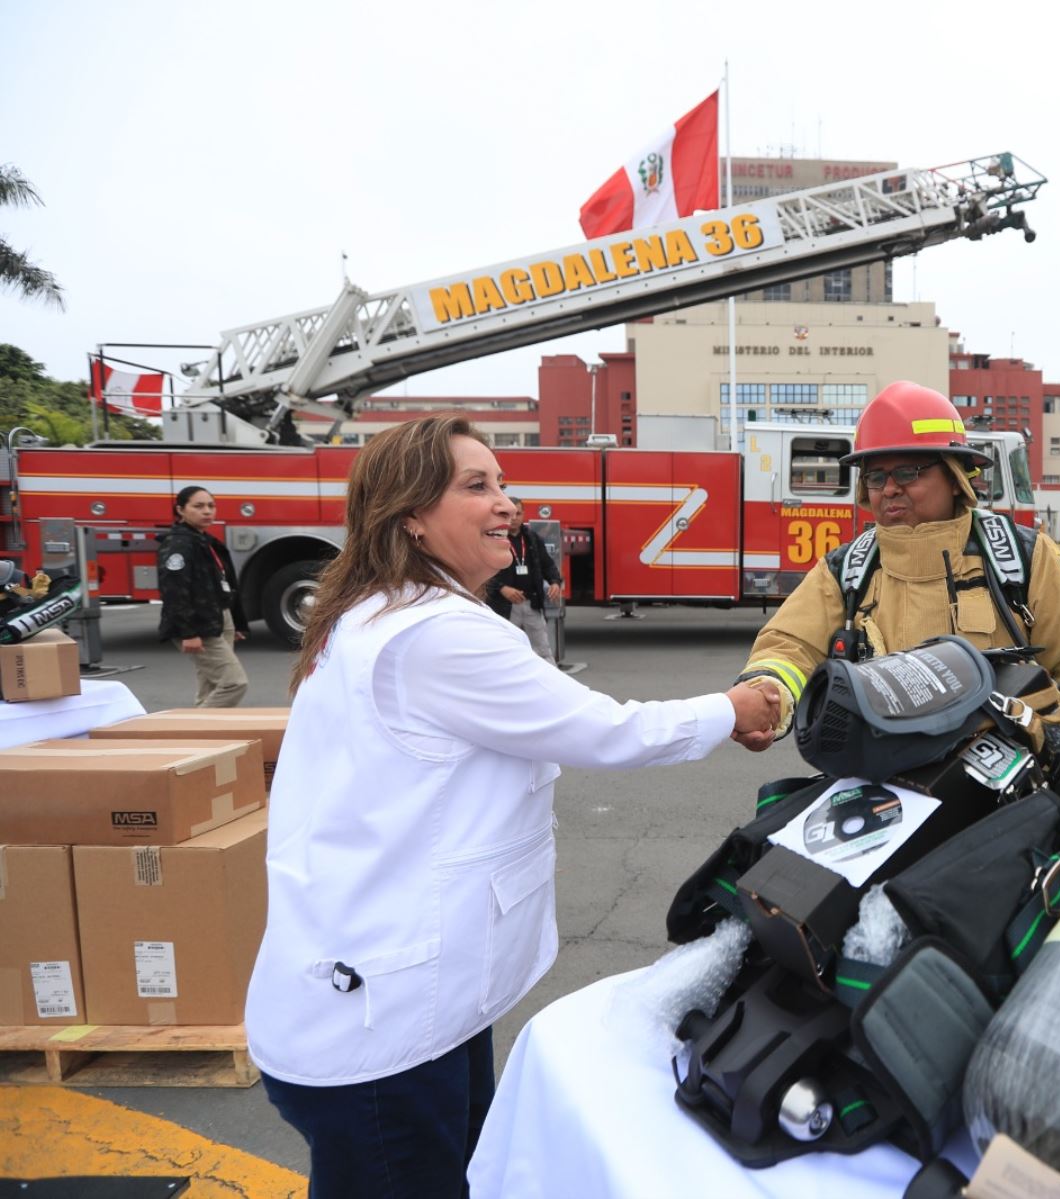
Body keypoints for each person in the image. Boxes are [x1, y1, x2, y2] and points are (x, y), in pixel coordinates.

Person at [244, 414, 778, 1197]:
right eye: (477, 485)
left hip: (395, 996)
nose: (508, 502)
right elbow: (605, 730)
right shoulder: (434, 635)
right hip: (383, 1024)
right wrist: (734, 707)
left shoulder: (373, 613)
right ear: (410, 514)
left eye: (502, 482)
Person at [732, 381, 1060, 762]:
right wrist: (767, 693)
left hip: (1010, 797)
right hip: (882, 784)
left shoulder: (1024, 557)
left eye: (907, 472)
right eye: (875, 476)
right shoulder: (845, 571)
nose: (888, 489)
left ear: (955, 477)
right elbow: (790, 647)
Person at [156, 485, 249, 707]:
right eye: (198, 506)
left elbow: (224, 585)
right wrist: (188, 632)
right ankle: (195, 727)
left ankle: (205, 735)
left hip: (218, 618)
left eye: (211, 506)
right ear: (180, 510)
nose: (207, 511)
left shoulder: (204, 540)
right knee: (234, 683)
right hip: (199, 623)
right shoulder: (179, 543)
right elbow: (174, 589)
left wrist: (235, 623)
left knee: (210, 684)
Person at [485, 498, 562, 662]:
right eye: (510, 514)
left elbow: (547, 564)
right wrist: (502, 588)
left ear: (523, 515)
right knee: (505, 648)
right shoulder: (494, 538)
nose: (514, 518)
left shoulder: (532, 538)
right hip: (505, 605)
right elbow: (483, 570)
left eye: (518, 513)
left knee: (542, 648)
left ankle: (549, 682)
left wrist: (555, 581)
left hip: (531, 602)